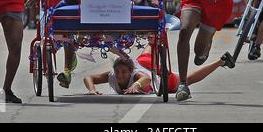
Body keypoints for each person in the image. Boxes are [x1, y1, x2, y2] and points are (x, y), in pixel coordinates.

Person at [83, 45, 232, 95]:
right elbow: (88, 77)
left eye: (123, 72)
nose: (120, 76)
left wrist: (136, 85)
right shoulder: (113, 75)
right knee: (147, 53)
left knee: (187, 80)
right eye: (118, 72)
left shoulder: (135, 74)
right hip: (144, 62)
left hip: (159, 79)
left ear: (130, 71)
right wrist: (91, 89)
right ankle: (154, 35)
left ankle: (220, 61)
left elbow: (145, 79)